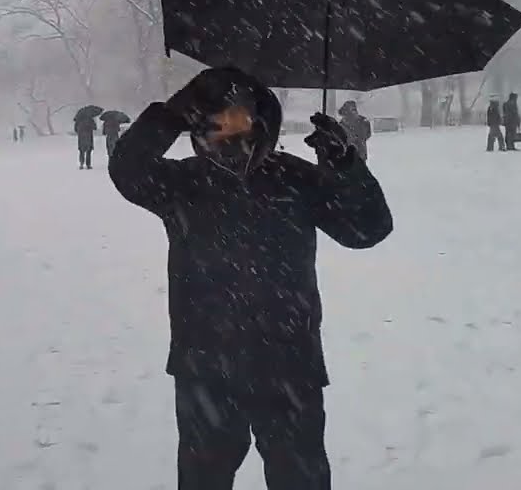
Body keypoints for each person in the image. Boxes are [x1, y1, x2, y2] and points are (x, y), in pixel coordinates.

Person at [108, 67, 393, 490]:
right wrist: (169, 115)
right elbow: (127, 169)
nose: (228, 128)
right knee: (203, 480)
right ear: (199, 124)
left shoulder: (294, 178)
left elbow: (368, 229)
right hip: (206, 368)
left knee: (301, 481)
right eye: (215, 118)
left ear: (260, 121)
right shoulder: (183, 183)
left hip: (289, 366)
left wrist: (345, 167)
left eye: (238, 116)